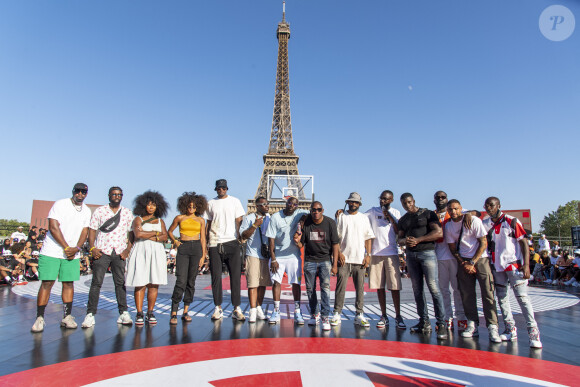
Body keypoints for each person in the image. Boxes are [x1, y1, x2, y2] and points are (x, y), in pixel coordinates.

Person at [31, 183, 91, 333]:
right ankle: (39, 318)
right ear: (73, 192)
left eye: (83, 192)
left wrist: (76, 248)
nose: (80, 194)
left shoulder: (87, 210)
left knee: (68, 284)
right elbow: (53, 226)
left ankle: (67, 317)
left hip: (72, 252)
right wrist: (65, 247)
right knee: (47, 283)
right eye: (77, 191)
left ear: (86, 194)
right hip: (52, 250)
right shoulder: (61, 204)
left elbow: (85, 232)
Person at [482, 197, 542, 348]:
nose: (489, 208)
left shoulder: (511, 221)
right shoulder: (486, 223)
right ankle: (510, 329)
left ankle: (533, 333)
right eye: (487, 205)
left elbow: (523, 242)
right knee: (502, 299)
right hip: (497, 266)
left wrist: (526, 265)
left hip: (514, 265)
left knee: (522, 298)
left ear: (499, 206)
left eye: (492, 205)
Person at [446, 199, 501, 343]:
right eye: (450, 209)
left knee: (488, 293)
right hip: (464, 261)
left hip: (480, 259)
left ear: (461, 208)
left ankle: (492, 326)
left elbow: (483, 242)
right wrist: (464, 263)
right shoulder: (449, 226)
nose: (453, 212)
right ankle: (472, 323)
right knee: (467, 294)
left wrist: (472, 262)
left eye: (456, 209)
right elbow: (452, 248)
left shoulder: (473, 220)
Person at [82, 187, 134, 328]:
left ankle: (123, 312)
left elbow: (132, 233)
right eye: (114, 194)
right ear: (109, 195)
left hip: (119, 252)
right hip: (102, 251)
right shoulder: (100, 211)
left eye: (119, 194)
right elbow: (92, 229)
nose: (117, 196)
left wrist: (127, 250)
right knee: (96, 283)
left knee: (120, 283)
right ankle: (90, 314)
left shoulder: (127, 213)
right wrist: (92, 248)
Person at [397, 193, 446, 339]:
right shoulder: (403, 219)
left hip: (427, 253)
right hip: (411, 256)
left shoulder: (427, 213)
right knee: (417, 290)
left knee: (434, 288)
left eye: (409, 202)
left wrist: (418, 240)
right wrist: (406, 241)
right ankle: (423, 322)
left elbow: (438, 232)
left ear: (414, 201)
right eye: (404, 203)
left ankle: (441, 323)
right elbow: (399, 239)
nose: (407, 205)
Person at [331, 192, 375, 328]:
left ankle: (359, 313)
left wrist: (368, 255)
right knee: (340, 287)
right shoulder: (341, 216)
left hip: (359, 258)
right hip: (344, 258)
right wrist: (339, 254)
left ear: (359, 204)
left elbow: (368, 238)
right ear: (348, 202)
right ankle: (337, 312)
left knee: (360, 288)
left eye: (356, 202)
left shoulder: (364, 218)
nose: (353, 204)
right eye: (351, 202)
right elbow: (336, 238)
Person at [125, 190, 169, 326]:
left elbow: (165, 237)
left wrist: (149, 234)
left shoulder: (160, 221)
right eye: (149, 205)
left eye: (154, 205)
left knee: (153, 283)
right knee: (140, 282)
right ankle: (139, 312)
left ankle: (150, 312)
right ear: (143, 205)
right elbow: (138, 234)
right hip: (140, 251)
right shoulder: (138, 219)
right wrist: (156, 233)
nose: (151, 207)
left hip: (156, 252)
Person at [294, 201, 339, 330]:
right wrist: (297, 242)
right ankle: (314, 314)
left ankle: (325, 317)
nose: (316, 212)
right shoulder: (306, 223)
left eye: (319, 209)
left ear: (323, 210)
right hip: (310, 260)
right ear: (310, 211)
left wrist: (334, 264)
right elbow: (302, 244)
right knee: (310, 289)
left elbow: (335, 244)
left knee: (325, 289)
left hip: (325, 260)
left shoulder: (330, 223)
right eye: (314, 210)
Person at [205, 179, 246, 321]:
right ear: (215, 189)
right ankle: (218, 307)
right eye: (218, 188)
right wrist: (205, 243)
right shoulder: (210, 203)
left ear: (227, 188)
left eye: (223, 188)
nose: (221, 190)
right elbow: (208, 224)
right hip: (215, 243)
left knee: (235, 277)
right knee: (215, 277)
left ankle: (236, 308)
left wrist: (241, 239)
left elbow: (239, 221)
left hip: (232, 242)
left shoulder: (235, 201)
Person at [365, 190, 406, 329]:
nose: (383, 201)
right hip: (376, 253)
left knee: (395, 286)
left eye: (386, 199)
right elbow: (360, 219)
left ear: (391, 200)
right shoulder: (372, 211)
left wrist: (390, 217)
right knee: (379, 286)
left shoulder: (396, 212)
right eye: (381, 198)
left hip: (391, 253)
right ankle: (383, 315)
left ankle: (398, 315)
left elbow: (399, 230)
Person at [167, 192, 208, 325]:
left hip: (196, 248)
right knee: (181, 281)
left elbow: (203, 238)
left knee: (191, 281)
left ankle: (186, 310)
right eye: (189, 206)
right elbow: (170, 231)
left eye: (194, 206)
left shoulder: (201, 220)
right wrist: (175, 241)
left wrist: (203, 255)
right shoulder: (179, 218)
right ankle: (174, 311)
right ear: (185, 206)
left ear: (198, 207)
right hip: (183, 247)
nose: (191, 208)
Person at [267, 196, 309, 325]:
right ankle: (276, 310)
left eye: (295, 204)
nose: (292, 205)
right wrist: (273, 259)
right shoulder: (275, 217)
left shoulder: (300, 213)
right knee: (276, 282)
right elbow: (271, 239)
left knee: (296, 283)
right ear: (286, 203)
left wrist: (302, 220)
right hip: (278, 255)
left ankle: (297, 311)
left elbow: (312, 213)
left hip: (293, 256)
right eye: (290, 203)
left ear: (297, 206)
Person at [433, 191, 467, 331]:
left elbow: (474, 213)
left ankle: (461, 317)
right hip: (439, 257)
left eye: (443, 197)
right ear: (434, 200)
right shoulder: (431, 215)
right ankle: (447, 316)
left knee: (457, 289)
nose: (441, 200)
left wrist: (470, 214)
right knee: (443, 290)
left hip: (455, 257)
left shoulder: (457, 212)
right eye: (438, 198)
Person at [239, 197, 271, 323]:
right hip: (252, 254)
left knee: (262, 283)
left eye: (267, 204)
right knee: (252, 283)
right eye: (263, 204)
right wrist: (255, 225)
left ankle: (258, 308)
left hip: (265, 255)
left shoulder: (270, 218)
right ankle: (252, 310)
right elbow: (243, 236)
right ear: (257, 206)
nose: (266, 206)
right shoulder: (249, 218)